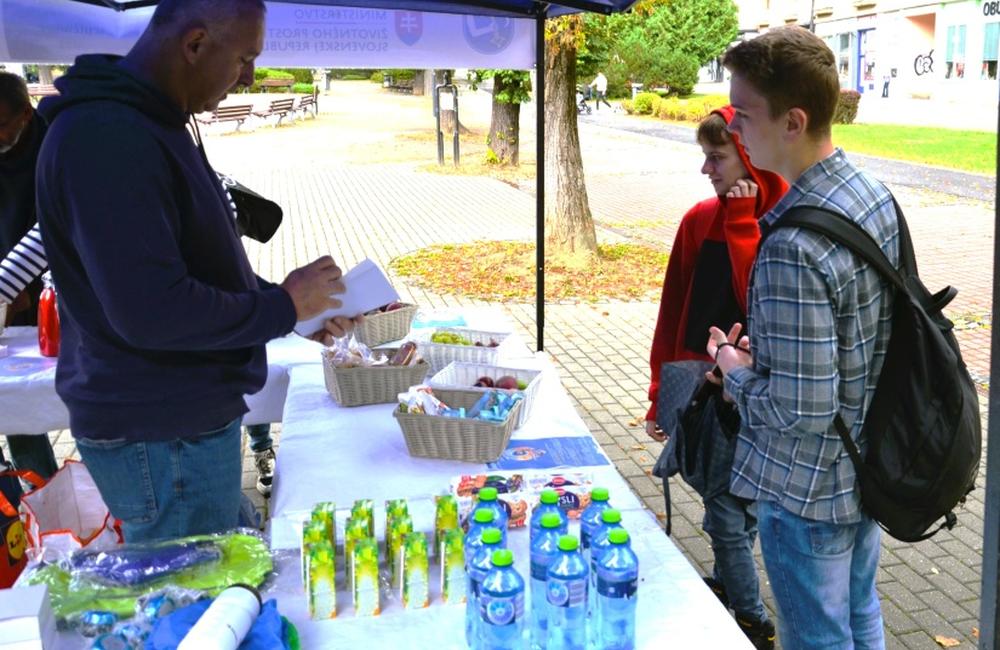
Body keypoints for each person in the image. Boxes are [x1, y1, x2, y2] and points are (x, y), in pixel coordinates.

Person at [35, 0, 359, 543]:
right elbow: (153, 311)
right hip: (160, 430)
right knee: (192, 599)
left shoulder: (148, 123)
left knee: (217, 568)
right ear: (194, 44)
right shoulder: (108, 137)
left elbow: (193, 269)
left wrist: (291, 308)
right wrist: (280, 306)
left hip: (175, 425)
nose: (249, 76)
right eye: (244, 59)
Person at [712, 26, 898, 649]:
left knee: (818, 638)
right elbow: (863, 334)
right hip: (865, 464)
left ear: (793, 121)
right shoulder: (870, 193)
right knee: (860, 615)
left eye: (744, 113)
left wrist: (733, 367)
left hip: (806, 490)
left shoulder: (793, 244)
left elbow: (801, 410)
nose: (733, 126)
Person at [645, 107, 786, 650]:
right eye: (704, 156)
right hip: (705, 397)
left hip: (766, 403)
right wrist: (662, 392)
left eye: (717, 156)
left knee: (735, 513)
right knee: (723, 503)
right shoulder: (698, 220)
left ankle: (750, 619)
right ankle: (734, 588)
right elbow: (674, 309)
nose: (706, 168)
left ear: (748, 154)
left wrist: (746, 220)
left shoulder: (782, 226)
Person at [0, 72, 58, 479]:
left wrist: (25, 284)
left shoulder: (58, 144)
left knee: (75, 403)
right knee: (12, 406)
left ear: (25, 114)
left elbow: (60, 228)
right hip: (6, 290)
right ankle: (35, 497)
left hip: (54, 293)